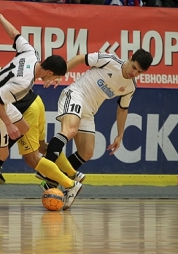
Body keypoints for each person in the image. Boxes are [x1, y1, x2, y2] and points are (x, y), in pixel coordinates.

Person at [0, 6, 84, 210]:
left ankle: (0, 156)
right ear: (50, 71)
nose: (54, 81)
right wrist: (8, 125)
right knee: (2, 155)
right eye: (55, 77)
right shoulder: (22, 84)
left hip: (0, 98)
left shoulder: (30, 53)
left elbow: (15, 34)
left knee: (24, 129)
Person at [42, 49, 153, 203]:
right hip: (76, 95)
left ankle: (51, 181)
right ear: (130, 58)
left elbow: (123, 109)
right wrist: (60, 74)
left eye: (139, 72)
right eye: (134, 67)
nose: (134, 73)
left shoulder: (130, 87)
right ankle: (46, 169)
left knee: (87, 152)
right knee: (70, 130)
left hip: (89, 111)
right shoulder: (109, 61)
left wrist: (120, 135)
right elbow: (80, 58)